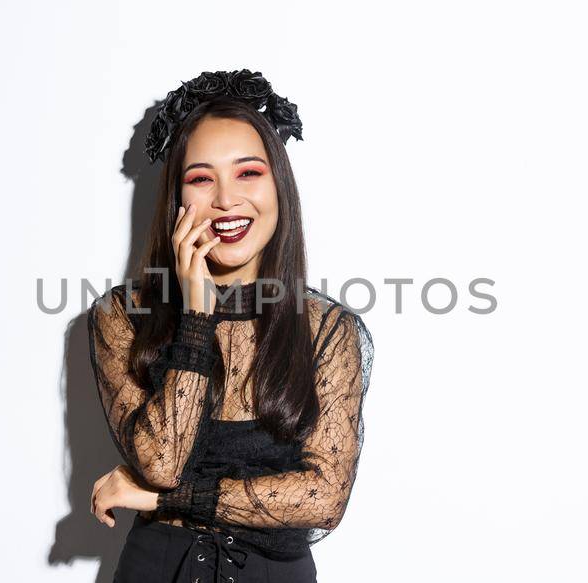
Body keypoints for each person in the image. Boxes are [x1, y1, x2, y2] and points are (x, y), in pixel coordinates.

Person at [86, 70, 374, 583]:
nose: (225, 200)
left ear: (278, 185)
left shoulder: (328, 330)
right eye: (201, 178)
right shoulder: (122, 316)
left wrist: (165, 500)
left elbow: (324, 497)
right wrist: (198, 316)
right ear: (177, 198)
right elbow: (163, 462)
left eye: (248, 173)